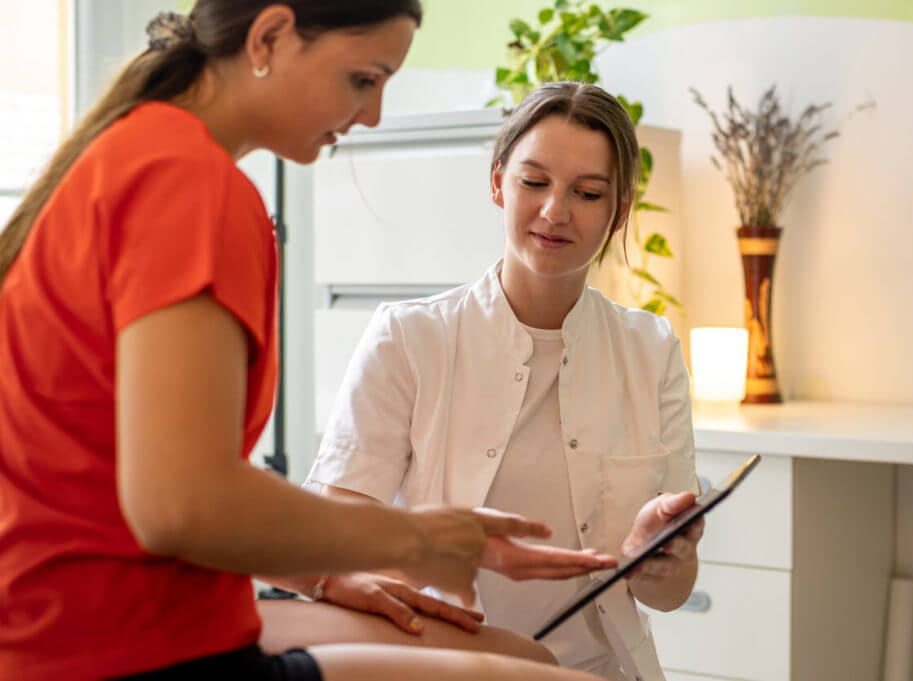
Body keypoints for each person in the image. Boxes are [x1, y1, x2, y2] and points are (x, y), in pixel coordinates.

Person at [0, 3, 618, 681]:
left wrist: (322, 573)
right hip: (125, 646)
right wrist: (420, 539)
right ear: (269, 37)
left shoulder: (131, 152)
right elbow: (181, 503)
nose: (374, 114)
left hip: (55, 625)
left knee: (518, 654)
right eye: (363, 79)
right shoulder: (194, 185)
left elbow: (132, 474)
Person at [304, 82, 706, 681]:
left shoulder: (651, 349)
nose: (555, 212)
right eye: (533, 182)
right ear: (498, 182)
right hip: (442, 667)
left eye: (587, 192)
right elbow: (338, 545)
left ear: (620, 210)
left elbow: (668, 595)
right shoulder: (409, 339)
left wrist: (661, 560)